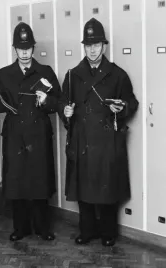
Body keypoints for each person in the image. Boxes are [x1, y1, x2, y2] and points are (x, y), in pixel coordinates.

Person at [59, 18, 139, 247]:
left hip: (106, 140)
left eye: (96, 45)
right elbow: (64, 104)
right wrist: (65, 110)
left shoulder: (117, 74)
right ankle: (87, 231)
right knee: (83, 189)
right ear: (83, 47)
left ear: (104, 45)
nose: (92, 49)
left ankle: (108, 232)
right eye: (88, 45)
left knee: (107, 188)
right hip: (82, 139)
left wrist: (121, 107)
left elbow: (132, 103)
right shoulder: (73, 74)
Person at [0, 22, 60, 241]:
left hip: (38, 132)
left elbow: (58, 103)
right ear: (15, 49)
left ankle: (42, 227)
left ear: (33, 48)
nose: (25, 51)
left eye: (28, 47)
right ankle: (20, 228)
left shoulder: (45, 72)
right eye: (20, 47)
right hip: (15, 135)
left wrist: (47, 100)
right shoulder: (5, 73)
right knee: (17, 182)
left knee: (40, 181)